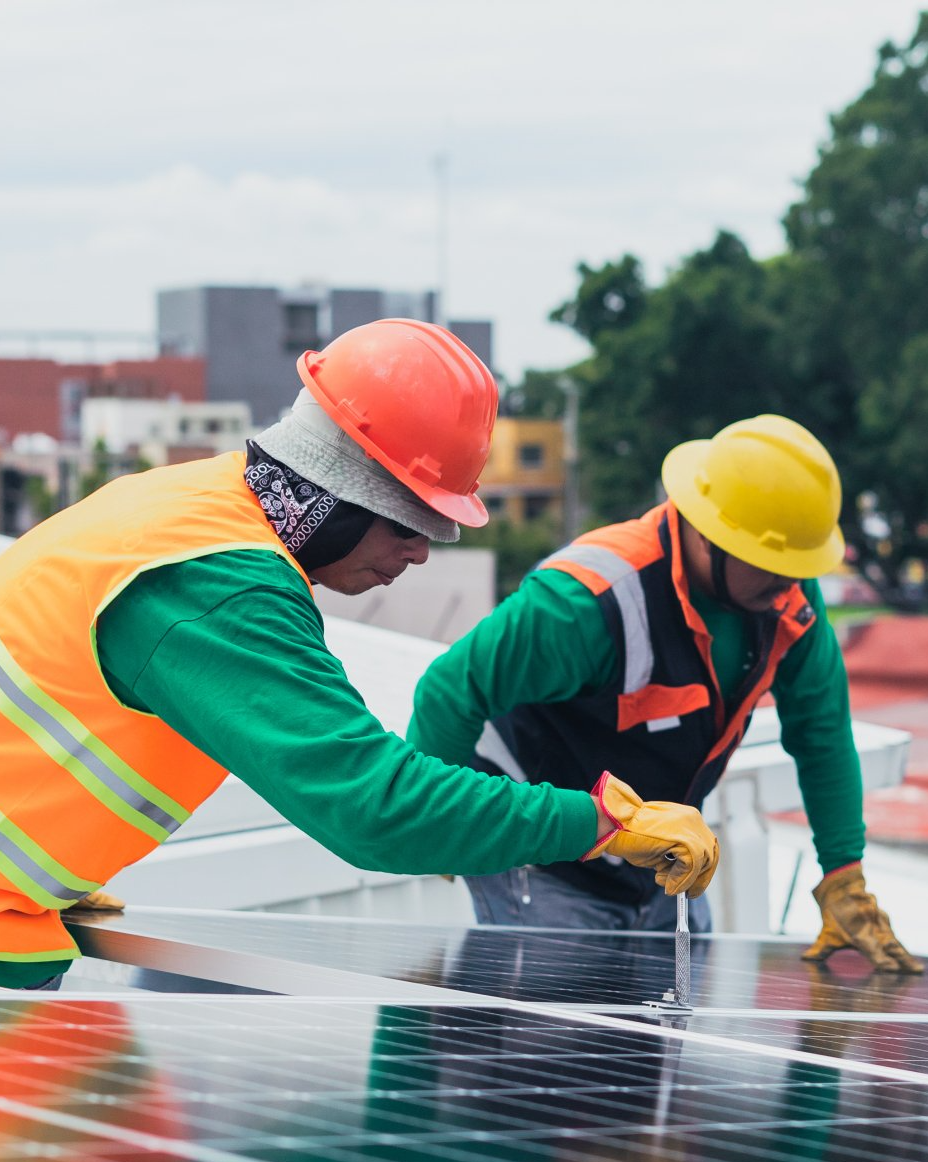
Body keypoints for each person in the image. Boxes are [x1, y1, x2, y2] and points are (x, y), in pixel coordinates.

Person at [0, 319, 719, 991]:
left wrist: (54, 861)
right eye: (412, 521)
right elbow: (375, 807)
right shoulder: (220, 586)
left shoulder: (199, 505)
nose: (420, 552)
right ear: (342, 490)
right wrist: (603, 824)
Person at [407, 414, 923, 975]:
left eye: (800, 568)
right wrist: (441, 829)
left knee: (659, 1041)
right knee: (559, 1043)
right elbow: (449, 691)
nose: (792, 584)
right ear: (708, 534)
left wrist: (843, 874)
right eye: (775, 565)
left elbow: (822, 736)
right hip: (545, 862)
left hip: (663, 861)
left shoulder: (787, 606)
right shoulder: (586, 601)